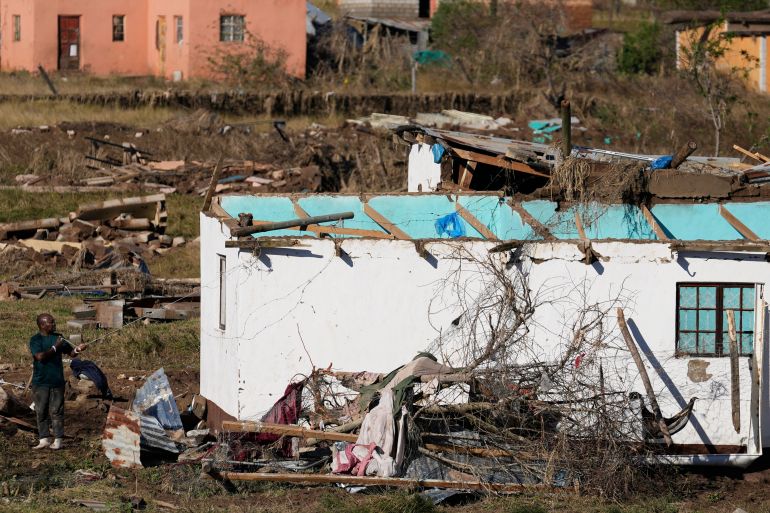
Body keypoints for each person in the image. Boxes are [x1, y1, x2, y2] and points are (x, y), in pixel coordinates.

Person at [29, 313, 87, 450]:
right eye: (51, 322)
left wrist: (78, 349)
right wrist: (55, 347)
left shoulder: (59, 337)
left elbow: (71, 353)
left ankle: (58, 439)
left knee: (57, 411)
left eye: (54, 321)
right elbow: (40, 357)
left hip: (57, 381)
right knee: (41, 410)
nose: (54, 324)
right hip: (40, 381)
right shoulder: (35, 340)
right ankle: (44, 439)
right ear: (42, 325)